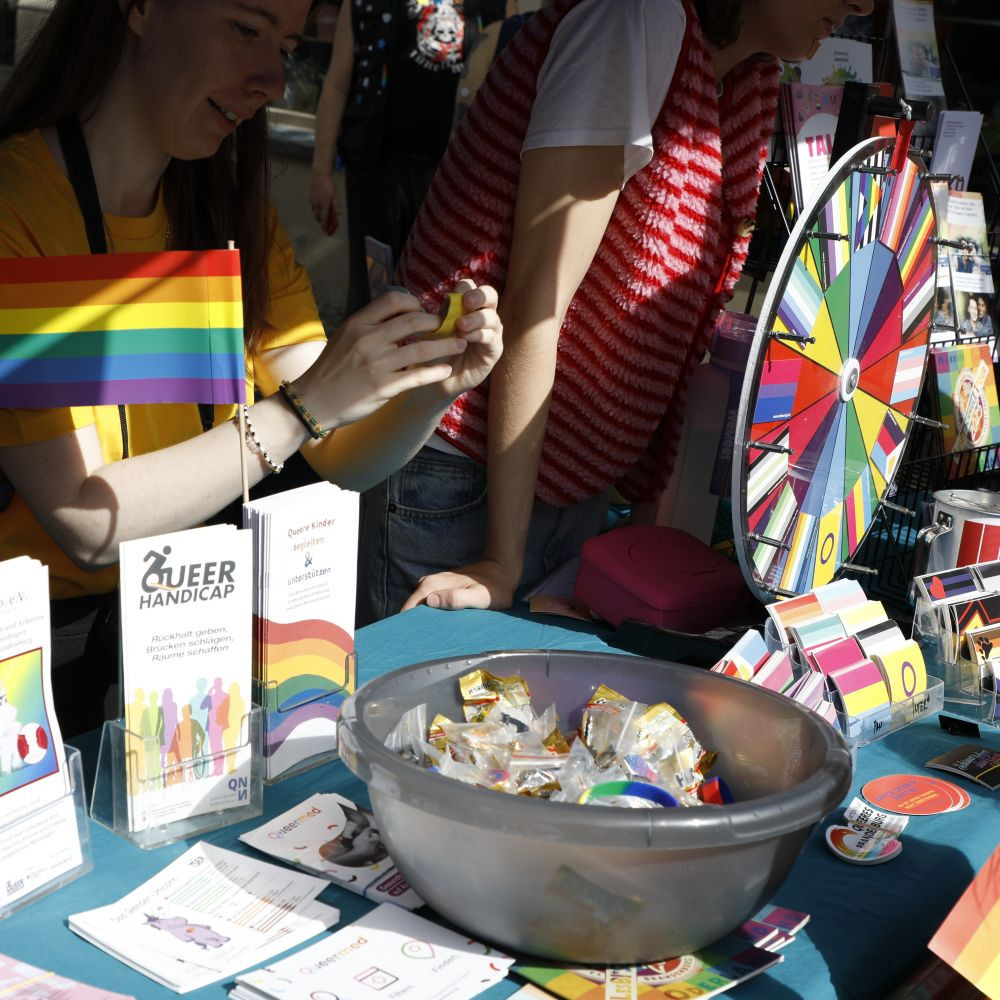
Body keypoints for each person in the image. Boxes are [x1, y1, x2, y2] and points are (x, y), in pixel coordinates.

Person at [0, 0, 502, 734]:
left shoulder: (228, 208)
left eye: (288, 45)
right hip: (40, 661)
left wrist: (430, 391)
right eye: (246, 29)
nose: (273, 79)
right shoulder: (18, 205)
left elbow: (341, 453)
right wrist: (302, 409)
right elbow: (87, 518)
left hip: (187, 628)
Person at [358, 0, 874, 623]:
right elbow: (535, 307)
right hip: (463, 470)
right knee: (433, 685)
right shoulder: (632, 20)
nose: (864, 6)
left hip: (560, 479)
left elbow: (670, 334)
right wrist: (500, 562)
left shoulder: (748, 80)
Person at [309, 0, 506, 314]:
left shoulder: (493, 5)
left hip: (454, 179)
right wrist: (321, 172)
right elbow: (336, 84)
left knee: (438, 295)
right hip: (377, 175)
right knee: (375, 291)